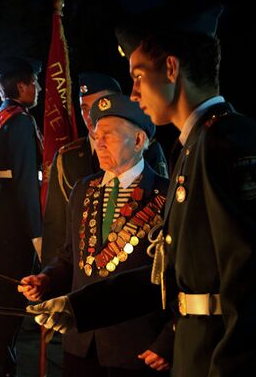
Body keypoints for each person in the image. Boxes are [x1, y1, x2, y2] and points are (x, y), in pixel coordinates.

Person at [30, 4, 256, 377]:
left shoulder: (233, 142)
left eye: (137, 76)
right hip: (206, 370)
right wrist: (79, 307)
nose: (131, 93)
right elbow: (167, 273)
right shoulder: (192, 150)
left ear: (171, 70)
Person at [20, 93, 178, 377]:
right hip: (82, 340)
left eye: (109, 134)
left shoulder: (168, 196)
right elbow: (71, 257)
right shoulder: (85, 190)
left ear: (140, 140)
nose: (98, 143)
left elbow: (178, 278)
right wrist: (47, 280)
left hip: (137, 345)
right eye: (96, 134)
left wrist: (168, 340)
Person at [41, 72, 167, 262]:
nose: (90, 116)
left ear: (139, 141)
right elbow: (56, 228)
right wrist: (49, 278)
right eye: (84, 108)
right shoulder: (68, 158)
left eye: (98, 105)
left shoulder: (150, 152)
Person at [0, 55, 43, 377]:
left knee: (1, 296)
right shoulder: (18, 121)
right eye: (34, 81)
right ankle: (1, 373)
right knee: (9, 296)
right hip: (12, 214)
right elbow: (25, 181)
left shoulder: (1, 116)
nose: (39, 88)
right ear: (21, 86)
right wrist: (36, 232)